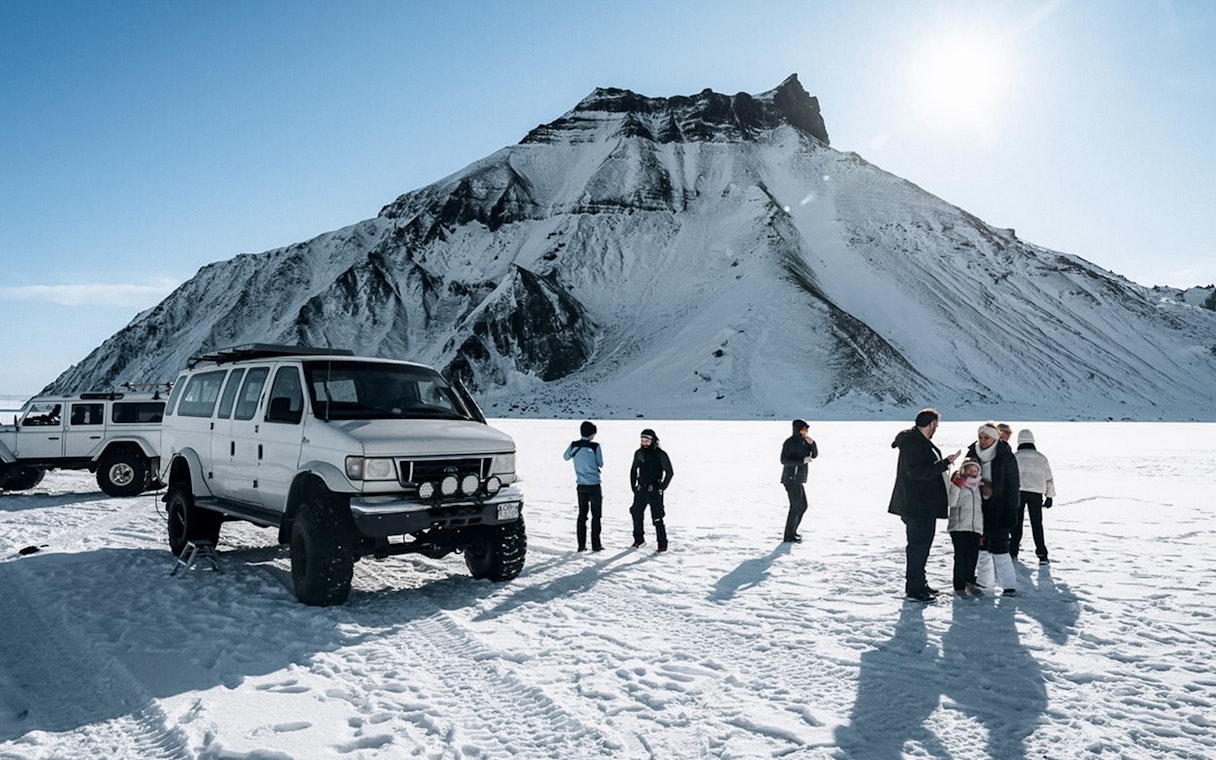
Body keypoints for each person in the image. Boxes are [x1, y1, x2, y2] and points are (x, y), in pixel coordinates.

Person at [888, 408, 960, 602]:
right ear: (931, 424)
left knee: (921, 547)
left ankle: (919, 584)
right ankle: (915, 589)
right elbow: (917, 473)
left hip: (922, 505)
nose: (937, 428)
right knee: (918, 547)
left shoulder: (918, 441)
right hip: (917, 505)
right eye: (936, 424)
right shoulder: (913, 443)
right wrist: (943, 464)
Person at [967, 422, 1021, 596]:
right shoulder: (972, 453)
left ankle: (1009, 585)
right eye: (980, 437)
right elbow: (965, 476)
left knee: (1000, 549)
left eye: (986, 438)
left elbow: (1013, 486)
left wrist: (1011, 512)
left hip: (1000, 508)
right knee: (981, 549)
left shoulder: (1005, 456)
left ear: (995, 438)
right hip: (977, 508)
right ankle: (984, 582)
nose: (982, 441)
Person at [1012, 428, 1055, 564]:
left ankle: (1013, 551)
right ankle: (1042, 554)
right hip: (1036, 493)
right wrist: (1049, 496)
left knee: (1016, 524)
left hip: (1018, 492)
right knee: (1037, 524)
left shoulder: (1015, 456)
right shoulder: (1041, 457)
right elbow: (1049, 478)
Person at [629, 428, 673, 552]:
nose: (644, 443)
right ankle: (639, 539)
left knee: (657, 517)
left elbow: (669, 472)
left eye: (647, 440)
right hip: (641, 489)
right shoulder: (639, 453)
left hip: (654, 490)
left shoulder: (660, 454)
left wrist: (662, 486)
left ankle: (662, 544)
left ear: (653, 440)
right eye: (642, 440)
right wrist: (633, 486)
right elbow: (633, 470)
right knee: (636, 513)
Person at [563, 420, 604, 552]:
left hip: (581, 485)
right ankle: (596, 545)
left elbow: (565, 457)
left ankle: (581, 545)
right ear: (592, 434)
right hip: (594, 485)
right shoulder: (595, 447)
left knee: (582, 515)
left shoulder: (574, 445)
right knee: (596, 515)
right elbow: (601, 463)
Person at [947, 460, 985, 597]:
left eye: (975, 471)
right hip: (959, 526)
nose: (972, 473)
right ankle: (959, 585)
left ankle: (970, 582)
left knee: (972, 556)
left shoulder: (980, 487)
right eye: (969, 470)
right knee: (961, 556)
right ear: (963, 470)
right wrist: (957, 486)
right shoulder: (957, 484)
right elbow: (951, 502)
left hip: (975, 527)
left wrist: (981, 530)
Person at [779, 419, 819, 542]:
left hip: (799, 479)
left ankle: (793, 532)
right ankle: (788, 536)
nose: (806, 431)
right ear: (798, 429)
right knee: (796, 506)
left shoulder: (804, 441)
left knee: (803, 506)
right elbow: (784, 460)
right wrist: (801, 461)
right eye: (804, 429)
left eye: (807, 429)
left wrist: (812, 444)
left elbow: (814, 455)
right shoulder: (789, 442)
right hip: (790, 478)